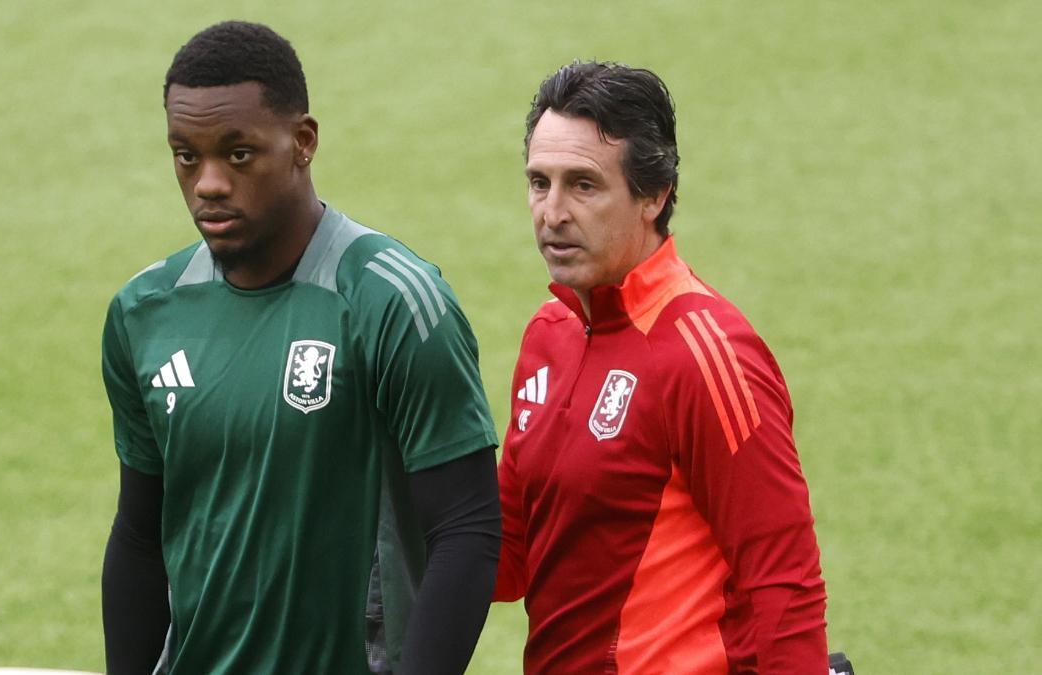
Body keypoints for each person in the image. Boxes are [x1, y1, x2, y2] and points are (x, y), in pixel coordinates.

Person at [99, 21, 500, 674]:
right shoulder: (145, 313)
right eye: (185, 155)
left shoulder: (392, 301)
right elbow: (141, 535)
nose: (207, 184)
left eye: (237, 154)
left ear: (303, 142)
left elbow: (467, 528)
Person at [494, 61, 828, 673]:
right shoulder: (549, 334)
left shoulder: (706, 351)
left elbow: (785, 579)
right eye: (540, 182)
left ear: (654, 195)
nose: (553, 212)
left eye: (584, 185)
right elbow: (511, 557)